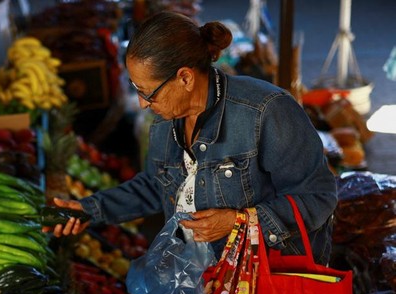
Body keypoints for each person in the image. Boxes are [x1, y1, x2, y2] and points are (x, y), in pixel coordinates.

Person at [43, 10, 337, 265]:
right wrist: (90, 209)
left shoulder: (265, 111)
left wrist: (240, 222)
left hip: (268, 285)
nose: (143, 103)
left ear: (184, 78)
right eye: (136, 88)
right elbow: (156, 184)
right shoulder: (165, 119)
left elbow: (318, 196)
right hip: (205, 279)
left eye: (147, 91)